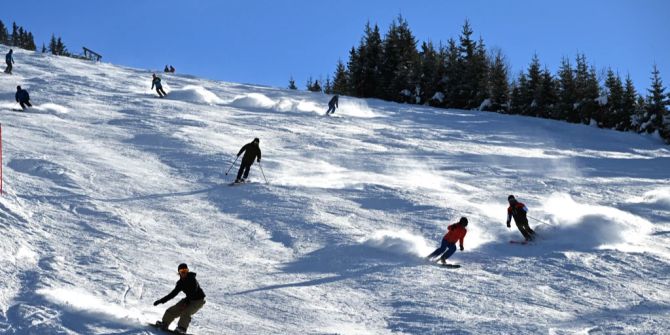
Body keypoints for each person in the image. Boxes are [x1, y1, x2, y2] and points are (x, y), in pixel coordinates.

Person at [153, 263, 206, 334]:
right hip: (188, 299)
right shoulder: (180, 283)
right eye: (182, 271)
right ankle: (165, 323)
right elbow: (172, 294)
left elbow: (194, 290)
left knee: (186, 312)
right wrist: (161, 301)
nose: (184, 272)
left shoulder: (192, 279)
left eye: (185, 270)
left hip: (198, 300)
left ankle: (182, 328)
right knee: (171, 310)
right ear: (179, 272)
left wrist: (186, 302)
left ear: (187, 271)